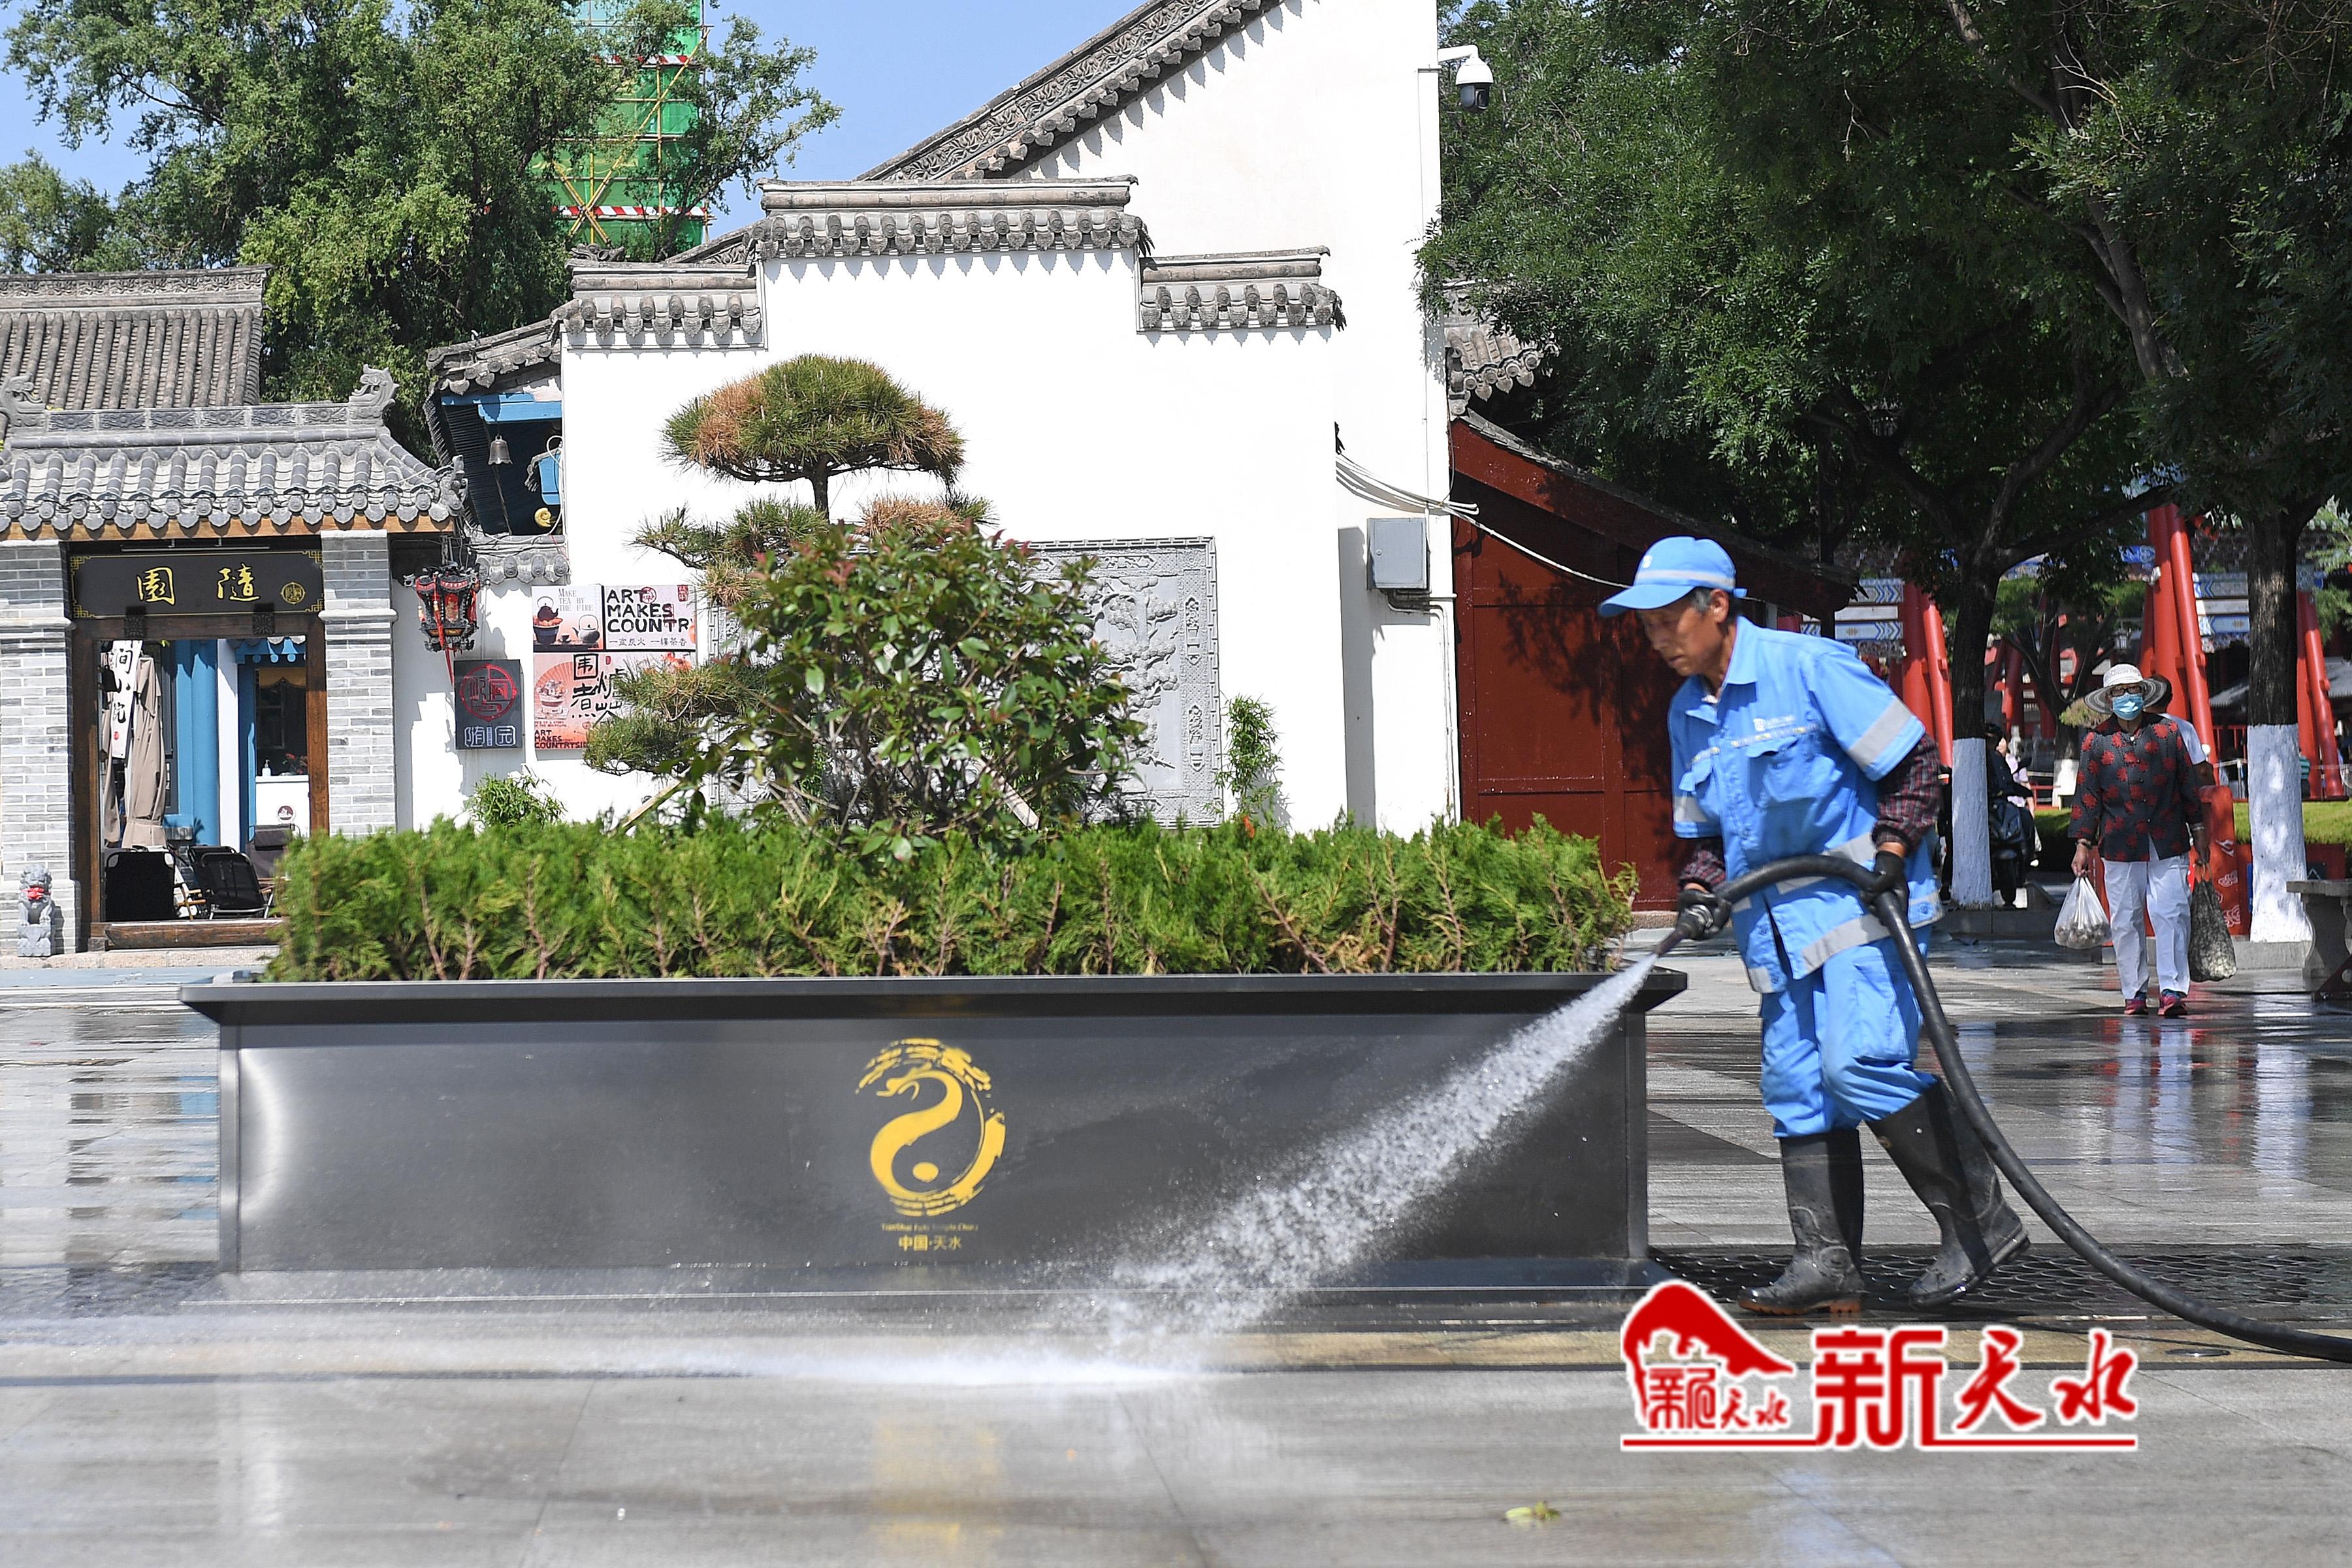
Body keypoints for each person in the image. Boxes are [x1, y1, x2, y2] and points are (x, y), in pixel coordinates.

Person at [1603, 538, 2027, 1315]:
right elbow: (1705, 836)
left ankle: (1980, 1224)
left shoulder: (1808, 669)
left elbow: (1912, 764)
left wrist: (1892, 848)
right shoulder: (1687, 712)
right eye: (1647, 625)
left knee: (1857, 1064)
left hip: (1861, 907)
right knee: (1797, 1087)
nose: (1657, 637)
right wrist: (1699, 888)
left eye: (1667, 620)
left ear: (1716, 605)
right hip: (1774, 929)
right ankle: (1826, 1261)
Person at [2072, 664, 2207, 1018]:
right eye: (2119, 692)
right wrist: (2083, 844)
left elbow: (2188, 786)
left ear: (2143, 694)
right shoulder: (2096, 742)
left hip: (2168, 838)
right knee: (2126, 920)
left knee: (2172, 913)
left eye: (2133, 690)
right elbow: (2088, 796)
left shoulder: (2167, 733)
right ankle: (2134, 992)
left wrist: (2200, 832)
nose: (2127, 697)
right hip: (2120, 843)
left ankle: (2172, 990)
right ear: (2109, 699)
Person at [1985, 724, 2035, 906]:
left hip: (2002, 803)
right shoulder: (1975, 758)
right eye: (1988, 739)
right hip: (1984, 807)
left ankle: (2029, 855)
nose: (1992, 743)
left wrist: (2023, 792)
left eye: (1995, 740)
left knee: (2025, 817)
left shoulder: (2000, 760)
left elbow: (2008, 781)